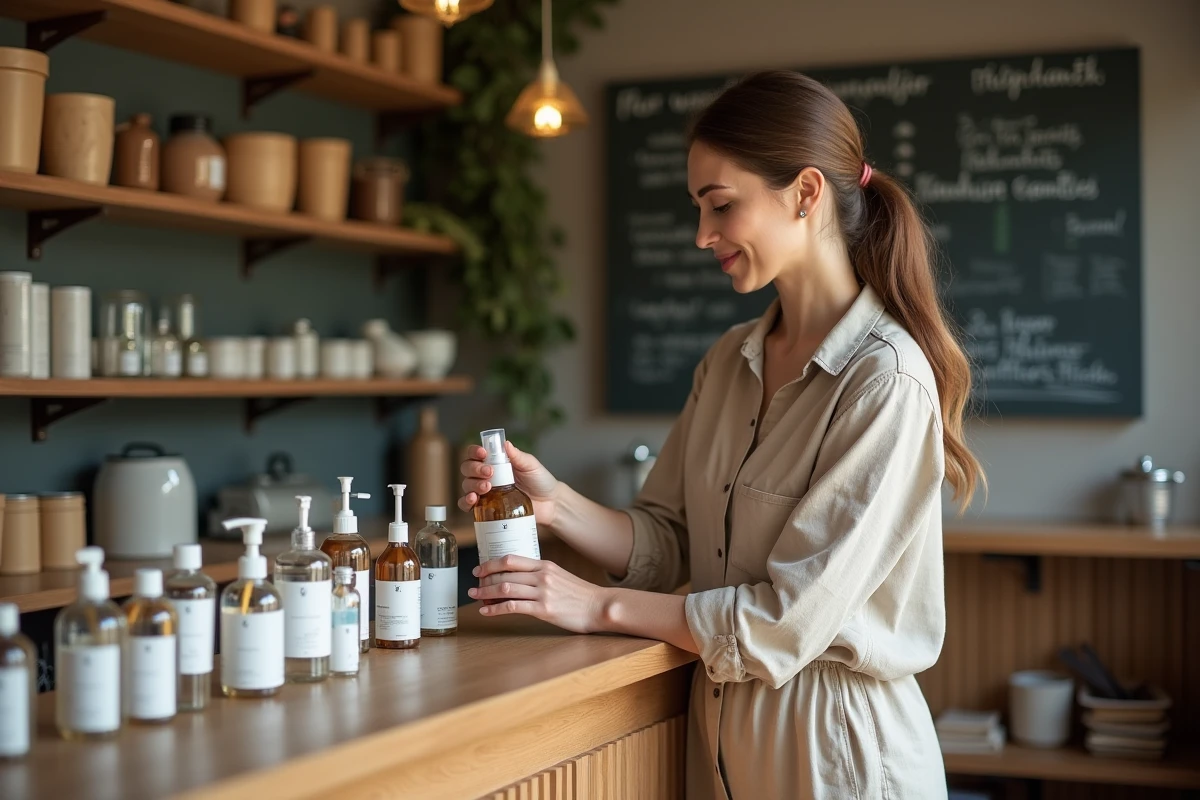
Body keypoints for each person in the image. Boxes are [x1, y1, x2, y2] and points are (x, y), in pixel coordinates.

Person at [458, 70, 984, 800]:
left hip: (839, 761)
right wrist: (555, 506)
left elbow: (784, 620)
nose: (704, 235)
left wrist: (593, 605)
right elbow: (671, 540)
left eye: (721, 206)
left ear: (805, 194)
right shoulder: (728, 360)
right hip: (718, 753)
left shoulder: (885, 381)